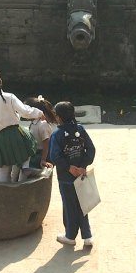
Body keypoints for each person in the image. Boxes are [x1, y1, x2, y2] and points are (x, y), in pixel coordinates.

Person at [0, 69, 44, 182]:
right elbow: (25, 112)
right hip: (16, 134)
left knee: (4, 169)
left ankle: (3, 194)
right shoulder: (9, 97)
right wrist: (40, 113)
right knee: (25, 158)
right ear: (0, 82)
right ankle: (22, 184)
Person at [49, 101, 96, 247]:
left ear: (58, 117)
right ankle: (87, 236)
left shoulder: (57, 134)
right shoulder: (80, 130)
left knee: (69, 206)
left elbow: (55, 156)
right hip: (81, 175)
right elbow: (91, 149)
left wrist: (69, 167)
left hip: (65, 178)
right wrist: (83, 166)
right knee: (83, 204)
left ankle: (70, 235)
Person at [24, 95, 58, 174]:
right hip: (36, 153)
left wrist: (43, 159)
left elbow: (46, 142)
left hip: (42, 154)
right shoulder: (33, 123)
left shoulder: (42, 124)